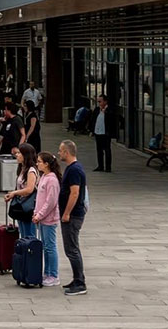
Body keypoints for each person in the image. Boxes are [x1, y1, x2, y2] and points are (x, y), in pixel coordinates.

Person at [58, 139, 88, 295]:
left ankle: (80, 283)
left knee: (72, 249)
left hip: (73, 215)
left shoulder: (74, 170)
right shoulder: (73, 168)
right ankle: (77, 279)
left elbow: (74, 193)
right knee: (70, 248)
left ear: (66, 152)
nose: (59, 153)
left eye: (60, 150)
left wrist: (67, 212)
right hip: (72, 214)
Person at [31, 152, 62, 287]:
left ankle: (53, 275)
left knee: (50, 247)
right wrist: (36, 213)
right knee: (45, 246)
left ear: (47, 164)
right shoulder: (44, 177)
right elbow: (40, 199)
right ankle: (47, 272)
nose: (37, 164)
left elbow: (51, 202)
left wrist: (40, 214)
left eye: (39, 162)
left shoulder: (52, 180)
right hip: (41, 218)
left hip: (49, 219)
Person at [4, 143, 40, 239]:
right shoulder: (22, 169)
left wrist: (14, 193)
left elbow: (29, 189)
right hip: (21, 205)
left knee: (29, 234)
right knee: (23, 233)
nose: (17, 155)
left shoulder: (31, 170)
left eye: (19, 153)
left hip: (28, 206)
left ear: (26, 155)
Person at [90, 94, 116, 172]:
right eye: (98, 101)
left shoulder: (109, 110)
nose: (99, 103)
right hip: (98, 132)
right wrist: (92, 130)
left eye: (100, 101)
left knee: (107, 150)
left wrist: (105, 112)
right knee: (99, 150)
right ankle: (100, 166)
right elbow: (93, 120)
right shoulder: (97, 110)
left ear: (105, 102)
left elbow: (112, 121)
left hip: (105, 133)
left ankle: (108, 167)